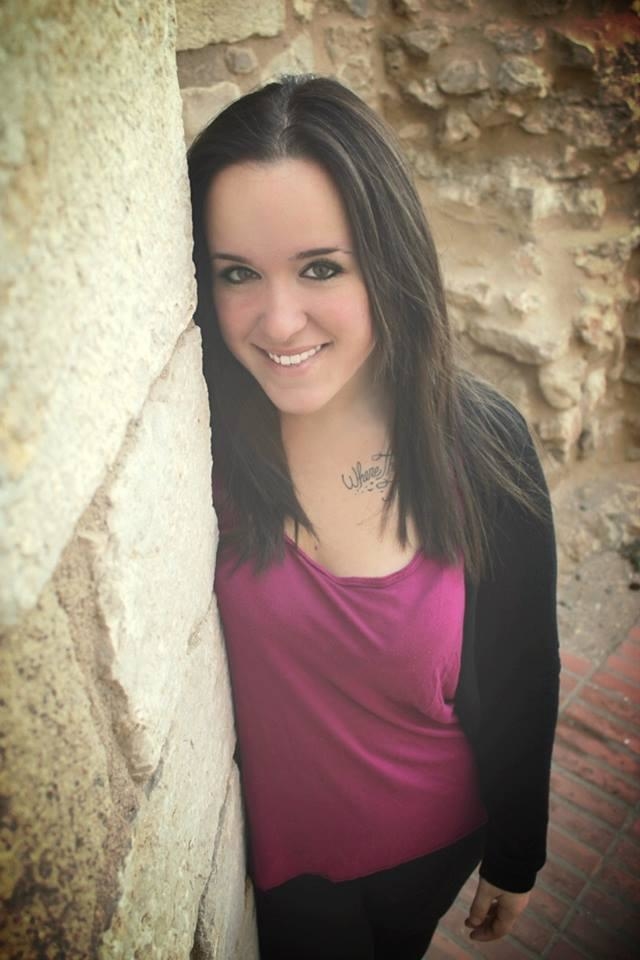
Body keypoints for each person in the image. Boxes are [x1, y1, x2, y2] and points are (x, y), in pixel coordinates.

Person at [187, 74, 560, 960]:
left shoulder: (482, 443)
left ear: (387, 262)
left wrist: (518, 853)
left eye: (321, 267)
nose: (279, 321)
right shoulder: (198, 438)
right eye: (237, 273)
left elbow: (522, 673)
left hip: (433, 845)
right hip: (284, 871)